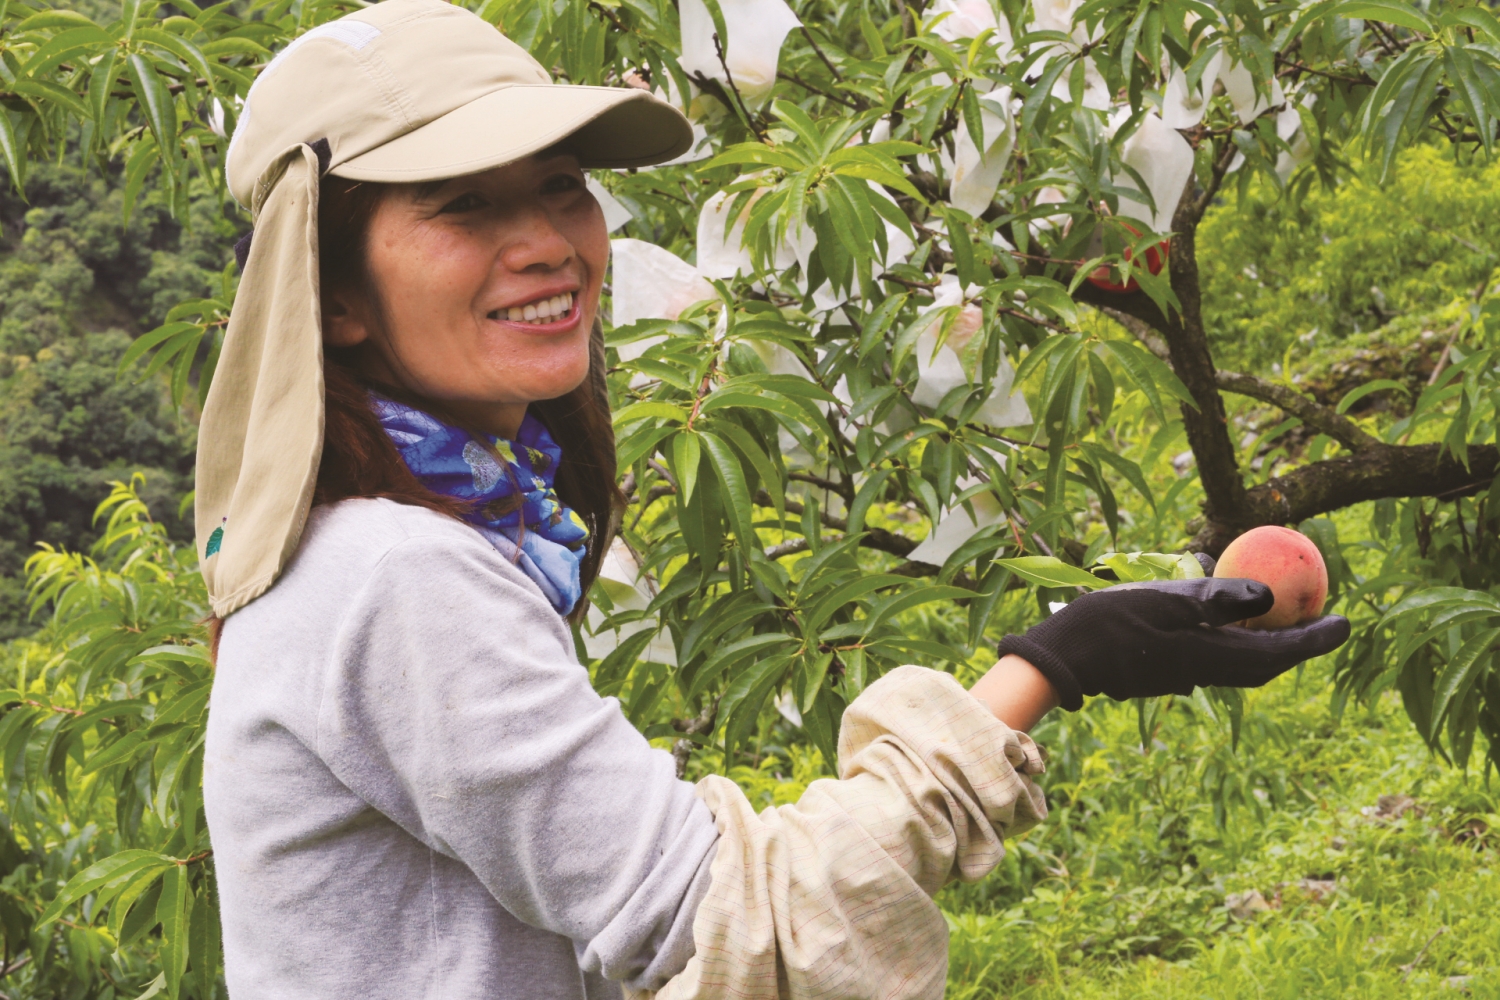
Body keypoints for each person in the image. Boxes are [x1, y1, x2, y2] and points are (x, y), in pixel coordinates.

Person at [198, 2, 1351, 997]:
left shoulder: (446, 536)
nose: (547, 243)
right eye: (462, 207)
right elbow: (734, 924)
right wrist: (1055, 661)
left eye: (559, 187)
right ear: (335, 297)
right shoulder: (395, 577)